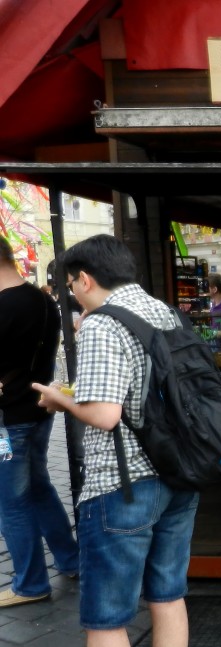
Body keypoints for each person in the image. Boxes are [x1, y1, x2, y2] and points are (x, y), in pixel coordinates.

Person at [33, 235, 198, 647]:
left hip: (122, 488)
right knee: (168, 599)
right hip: (179, 477)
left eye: (69, 289)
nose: (72, 300)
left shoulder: (105, 322)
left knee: (106, 620)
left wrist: (59, 397)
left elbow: (104, 414)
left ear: (84, 279)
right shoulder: (164, 313)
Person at [0, 236, 80, 608]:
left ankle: (30, 583)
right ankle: (71, 559)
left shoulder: (4, 306)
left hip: (6, 420)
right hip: (38, 408)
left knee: (11, 502)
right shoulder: (42, 299)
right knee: (38, 487)